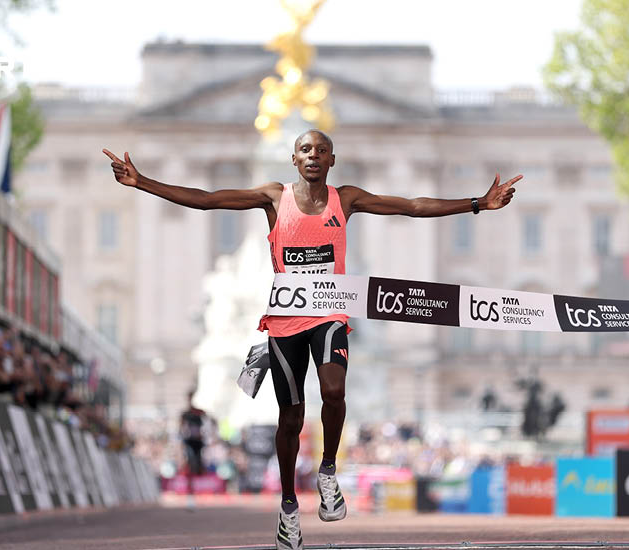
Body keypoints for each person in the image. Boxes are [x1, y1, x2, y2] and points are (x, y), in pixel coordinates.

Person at [103, 131, 521, 550]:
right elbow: (208, 198)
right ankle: (288, 507)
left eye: (321, 151)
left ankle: (327, 471)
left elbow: (410, 207)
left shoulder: (347, 198)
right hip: (285, 321)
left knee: (334, 391)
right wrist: (143, 182)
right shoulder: (273, 198)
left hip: (329, 312)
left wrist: (477, 204)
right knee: (291, 417)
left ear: (332, 160)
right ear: (294, 158)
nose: (313, 156)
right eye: (306, 150)